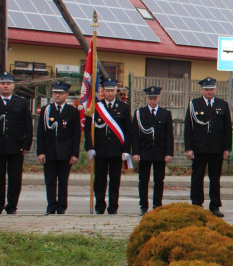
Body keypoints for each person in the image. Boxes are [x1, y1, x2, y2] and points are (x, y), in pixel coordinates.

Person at [0, 73, 33, 215]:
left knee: (15, 179)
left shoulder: (21, 102)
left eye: (8, 84)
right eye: (2, 83)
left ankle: (12, 206)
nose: (5, 86)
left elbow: (28, 126)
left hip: (16, 147)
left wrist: (26, 145)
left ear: (13, 86)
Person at [185, 76, 233, 217]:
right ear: (201, 90)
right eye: (206, 89)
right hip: (199, 148)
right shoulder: (194, 104)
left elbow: (227, 129)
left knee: (215, 178)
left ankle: (215, 205)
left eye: (211, 89)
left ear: (215, 89)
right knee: (197, 177)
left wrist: (227, 148)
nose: (209, 92)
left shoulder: (222, 104)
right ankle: (196, 204)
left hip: (216, 148)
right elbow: (188, 128)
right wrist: (188, 148)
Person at [84, 79, 131, 215]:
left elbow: (128, 131)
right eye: (107, 90)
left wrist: (126, 150)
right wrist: (89, 147)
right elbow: (88, 129)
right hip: (100, 150)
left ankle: (113, 207)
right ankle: (99, 206)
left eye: (112, 90)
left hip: (116, 151)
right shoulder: (95, 107)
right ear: (102, 91)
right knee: (99, 180)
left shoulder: (124, 107)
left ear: (116, 91)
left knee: (115, 180)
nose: (110, 93)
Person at [36, 81, 80, 215]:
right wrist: (40, 152)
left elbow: (76, 134)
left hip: (65, 153)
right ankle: (51, 206)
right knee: (50, 181)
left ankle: (61, 207)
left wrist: (74, 154)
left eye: (61, 93)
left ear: (66, 95)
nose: (57, 96)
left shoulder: (72, 111)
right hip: (49, 152)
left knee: (63, 181)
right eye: (55, 93)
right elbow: (40, 133)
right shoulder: (46, 110)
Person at [130, 85, 174, 215]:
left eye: (155, 98)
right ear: (146, 98)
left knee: (159, 181)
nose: (153, 101)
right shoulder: (140, 113)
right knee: (143, 181)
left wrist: (169, 153)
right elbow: (135, 134)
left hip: (160, 152)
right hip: (144, 151)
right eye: (150, 98)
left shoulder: (165, 113)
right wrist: (135, 152)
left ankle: (157, 205)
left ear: (158, 98)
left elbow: (169, 135)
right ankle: (143, 206)